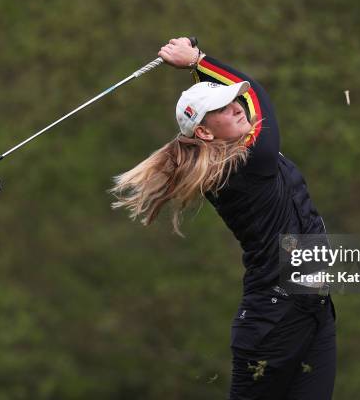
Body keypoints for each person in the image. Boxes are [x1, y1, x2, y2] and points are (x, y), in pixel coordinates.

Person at [110, 37, 336, 400]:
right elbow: (257, 95)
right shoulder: (247, 164)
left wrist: (200, 73)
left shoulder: (235, 151)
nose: (236, 108)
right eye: (223, 108)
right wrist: (196, 60)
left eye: (233, 101)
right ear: (203, 132)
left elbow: (234, 107)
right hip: (274, 318)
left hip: (313, 309)